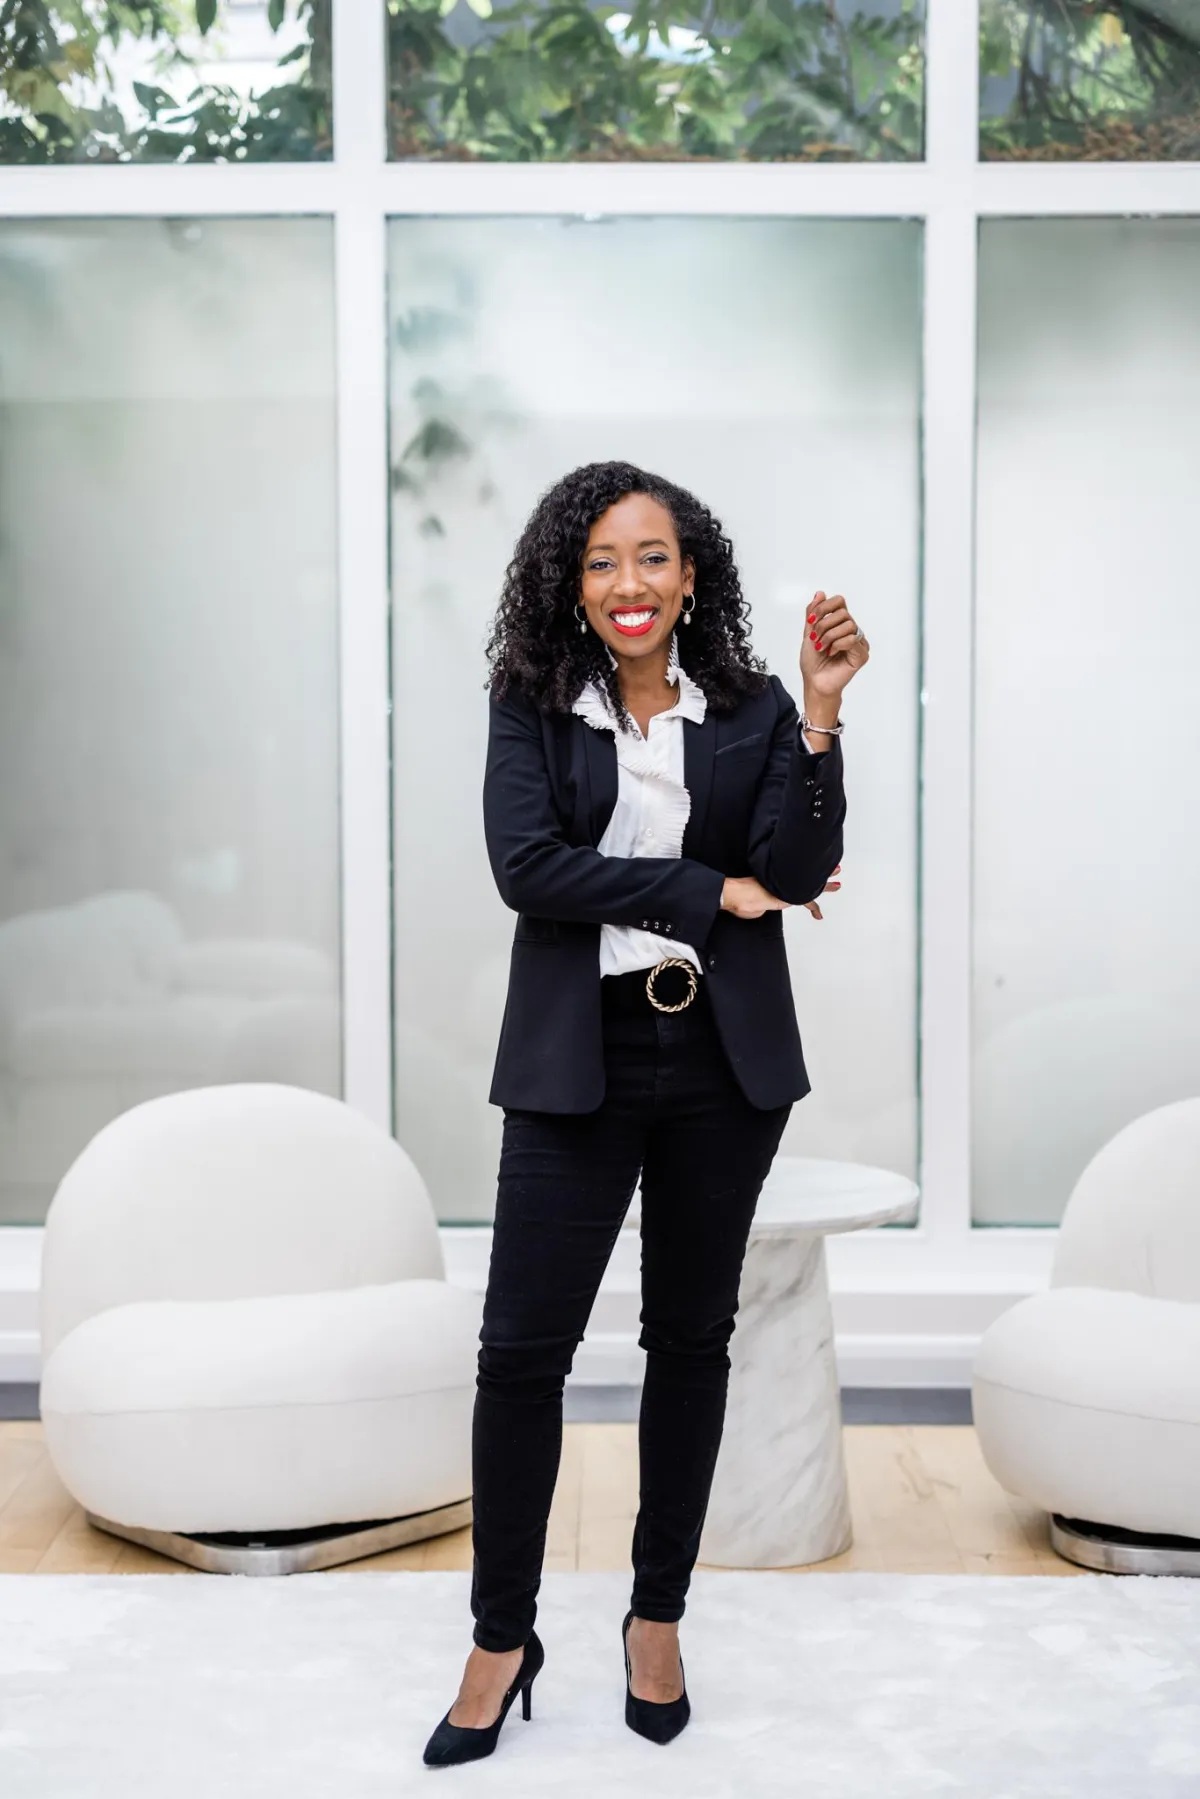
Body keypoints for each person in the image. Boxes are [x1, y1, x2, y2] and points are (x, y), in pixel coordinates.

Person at [423, 460, 869, 1767]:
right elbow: (528, 869)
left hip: (722, 1062)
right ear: (572, 582)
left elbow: (797, 867)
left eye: (653, 557)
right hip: (580, 1055)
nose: (629, 582)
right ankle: (500, 1639)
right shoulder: (532, 707)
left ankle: (656, 1619)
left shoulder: (753, 706)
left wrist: (823, 714)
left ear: (690, 576)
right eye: (603, 560)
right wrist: (703, 891)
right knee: (521, 1354)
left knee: (690, 1338)